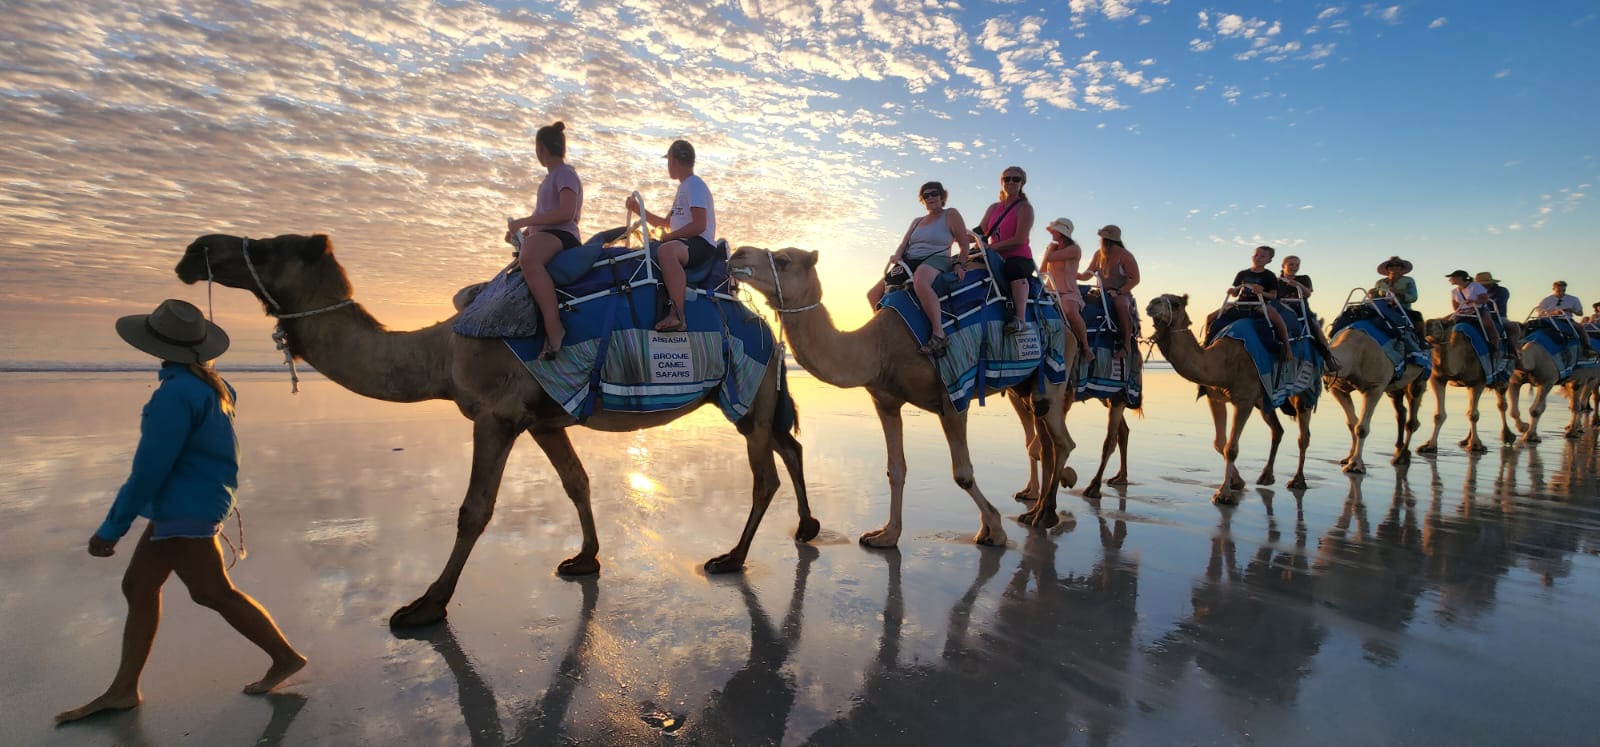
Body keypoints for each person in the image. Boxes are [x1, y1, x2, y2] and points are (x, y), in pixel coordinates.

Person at [55, 300, 306, 725]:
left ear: (156, 345)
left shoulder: (175, 394)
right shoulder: (210, 385)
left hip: (184, 509)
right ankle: (123, 689)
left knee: (211, 592)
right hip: (195, 501)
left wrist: (111, 529)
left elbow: (149, 471)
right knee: (139, 586)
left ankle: (285, 657)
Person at [505, 121, 583, 360]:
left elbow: (566, 213)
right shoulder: (549, 180)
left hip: (564, 235)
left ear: (541, 148)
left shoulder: (565, 174)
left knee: (529, 260)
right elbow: (544, 218)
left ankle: (554, 329)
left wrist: (523, 221)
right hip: (548, 234)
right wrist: (524, 233)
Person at [867, 181, 971, 355]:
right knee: (873, 294)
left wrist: (960, 263)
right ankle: (885, 330)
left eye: (934, 193)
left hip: (937, 258)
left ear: (942, 196)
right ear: (922, 200)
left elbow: (964, 244)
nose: (930, 197)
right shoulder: (917, 221)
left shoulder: (950, 214)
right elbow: (904, 243)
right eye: (926, 195)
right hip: (910, 261)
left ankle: (939, 334)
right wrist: (897, 255)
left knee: (920, 282)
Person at [627, 139, 716, 332]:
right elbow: (665, 223)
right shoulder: (684, 187)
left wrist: (669, 238)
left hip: (701, 243)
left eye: (668, 161)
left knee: (666, 251)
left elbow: (700, 225)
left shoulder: (694, 185)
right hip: (687, 242)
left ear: (673, 160)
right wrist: (638, 209)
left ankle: (677, 316)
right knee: (651, 250)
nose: (668, 165)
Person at [974, 166, 1036, 334]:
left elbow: (1019, 239)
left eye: (1015, 179)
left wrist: (991, 247)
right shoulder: (994, 208)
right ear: (1001, 182)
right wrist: (960, 236)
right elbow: (981, 230)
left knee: (1013, 269)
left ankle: (1020, 319)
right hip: (994, 257)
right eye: (1006, 179)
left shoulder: (1024, 208)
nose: (1010, 182)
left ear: (1022, 183)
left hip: (1017, 257)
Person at [1208, 245, 1293, 361]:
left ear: (1269, 260)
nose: (1258, 258)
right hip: (1241, 304)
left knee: (1277, 320)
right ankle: (1206, 344)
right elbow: (1235, 294)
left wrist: (1262, 292)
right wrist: (1232, 291)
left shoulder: (1269, 275)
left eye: (1262, 256)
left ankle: (1287, 349)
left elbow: (1273, 295)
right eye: (1256, 255)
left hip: (1258, 305)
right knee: (1211, 317)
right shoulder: (1242, 274)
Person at [1039, 217, 1092, 362]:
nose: (1052, 233)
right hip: (1051, 292)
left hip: (1068, 292)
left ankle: (1086, 347)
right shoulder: (1052, 249)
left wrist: (1049, 249)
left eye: (1054, 231)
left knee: (1070, 311)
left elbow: (1050, 257)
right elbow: (1043, 270)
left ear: (1061, 233)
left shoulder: (1074, 249)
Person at [1083, 225, 1141, 356]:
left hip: (1121, 292)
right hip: (1101, 293)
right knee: (1081, 298)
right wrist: (1074, 275)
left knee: (1120, 303)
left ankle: (1126, 346)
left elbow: (1135, 279)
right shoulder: (1099, 254)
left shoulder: (1125, 256)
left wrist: (1119, 291)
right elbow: (1088, 273)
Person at [1278, 254, 1338, 372]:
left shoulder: (1303, 278)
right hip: (1282, 308)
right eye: (1291, 264)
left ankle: (1328, 357)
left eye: (1297, 265)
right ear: (1283, 266)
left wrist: (1297, 285)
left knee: (1314, 327)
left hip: (1301, 309)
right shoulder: (1276, 281)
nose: (1294, 267)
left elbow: (1308, 293)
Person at [1446, 269, 1507, 361]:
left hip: (1479, 310)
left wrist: (1474, 302)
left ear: (1459, 278)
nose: (1450, 279)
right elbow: (1455, 306)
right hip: (1463, 312)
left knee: (1488, 325)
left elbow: (1484, 299)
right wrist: (1462, 311)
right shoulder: (1454, 292)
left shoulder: (1476, 286)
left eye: (1452, 277)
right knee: (1445, 323)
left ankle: (1495, 347)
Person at [1538, 280, 1593, 351]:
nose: (1561, 292)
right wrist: (1554, 313)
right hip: (1549, 319)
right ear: (1553, 289)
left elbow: (1580, 313)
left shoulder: (1573, 299)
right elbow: (1540, 313)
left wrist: (1571, 310)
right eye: (1558, 291)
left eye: (1563, 290)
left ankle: (1587, 348)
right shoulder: (1546, 300)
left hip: (1566, 320)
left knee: (1580, 328)